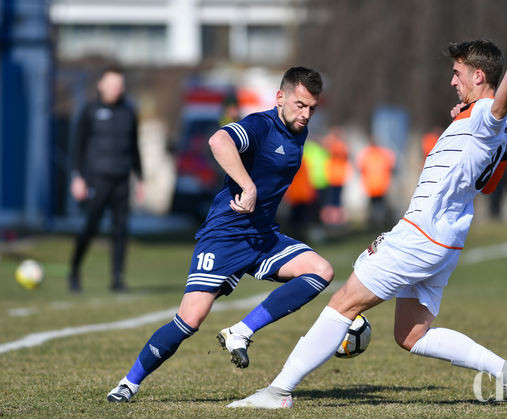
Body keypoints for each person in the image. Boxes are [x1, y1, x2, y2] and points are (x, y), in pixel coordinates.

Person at [228, 40, 507, 409]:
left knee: (342, 304)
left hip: (420, 235)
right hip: (445, 240)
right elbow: (490, 177)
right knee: (411, 335)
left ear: (478, 76)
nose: (452, 81)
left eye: (458, 73)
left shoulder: (487, 114)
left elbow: (496, 109)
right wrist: (466, 116)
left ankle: (278, 392)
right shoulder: (480, 121)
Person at [107, 67, 334, 402]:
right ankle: (128, 383)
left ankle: (241, 331)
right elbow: (218, 140)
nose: (305, 114)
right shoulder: (261, 124)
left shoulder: (299, 131)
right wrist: (247, 186)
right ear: (280, 97)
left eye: (312, 108)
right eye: (300, 105)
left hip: (262, 236)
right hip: (225, 235)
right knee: (189, 320)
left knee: (321, 271)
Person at [68, 66, 143, 293]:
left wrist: (140, 178)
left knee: (120, 231)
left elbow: (135, 148)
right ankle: (74, 270)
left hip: (122, 180)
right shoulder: (90, 111)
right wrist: (77, 176)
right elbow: (78, 145)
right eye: (111, 84)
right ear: (101, 85)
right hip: (96, 180)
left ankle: (117, 279)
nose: (115, 89)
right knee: (90, 226)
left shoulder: (128, 112)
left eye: (119, 85)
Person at [356, 137, 396, 229]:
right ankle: (379, 222)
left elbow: (361, 168)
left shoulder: (367, 154)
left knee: (375, 206)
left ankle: (376, 222)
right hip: (379, 185)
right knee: (379, 205)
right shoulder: (383, 154)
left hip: (373, 185)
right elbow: (391, 166)